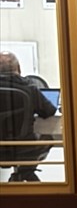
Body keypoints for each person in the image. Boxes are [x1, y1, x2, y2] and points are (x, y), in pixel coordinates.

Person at [0, 51, 56, 182]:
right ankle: (25, 172)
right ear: (18, 69)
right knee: (48, 136)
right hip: (24, 149)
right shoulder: (29, 88)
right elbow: (49, 111)